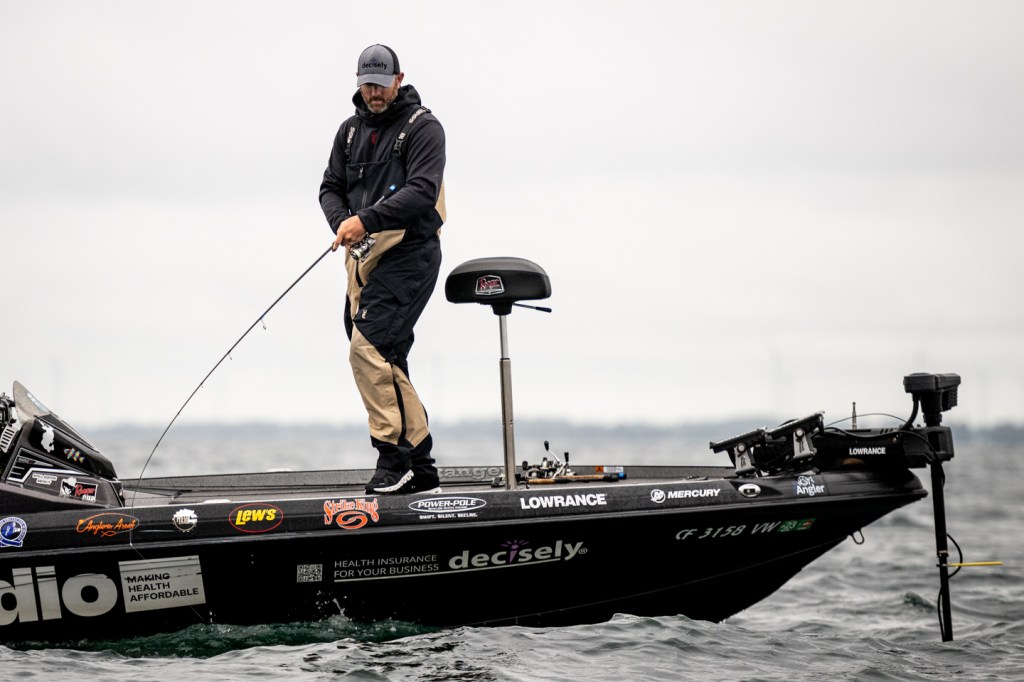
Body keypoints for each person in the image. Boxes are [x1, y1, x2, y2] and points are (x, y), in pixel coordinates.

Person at [319, 44, 446, 495]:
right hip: (361, 258)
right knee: (386, 358)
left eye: (381, 84)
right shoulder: (348, 131)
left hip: (411, 253)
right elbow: (330, 187)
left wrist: (365, 220)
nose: (373, 93)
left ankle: (393, 459)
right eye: (366, 84)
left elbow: (423, 190)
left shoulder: (424, 127)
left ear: (398, 79)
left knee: (367, 347)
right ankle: (421, 466)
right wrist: (344, 223)